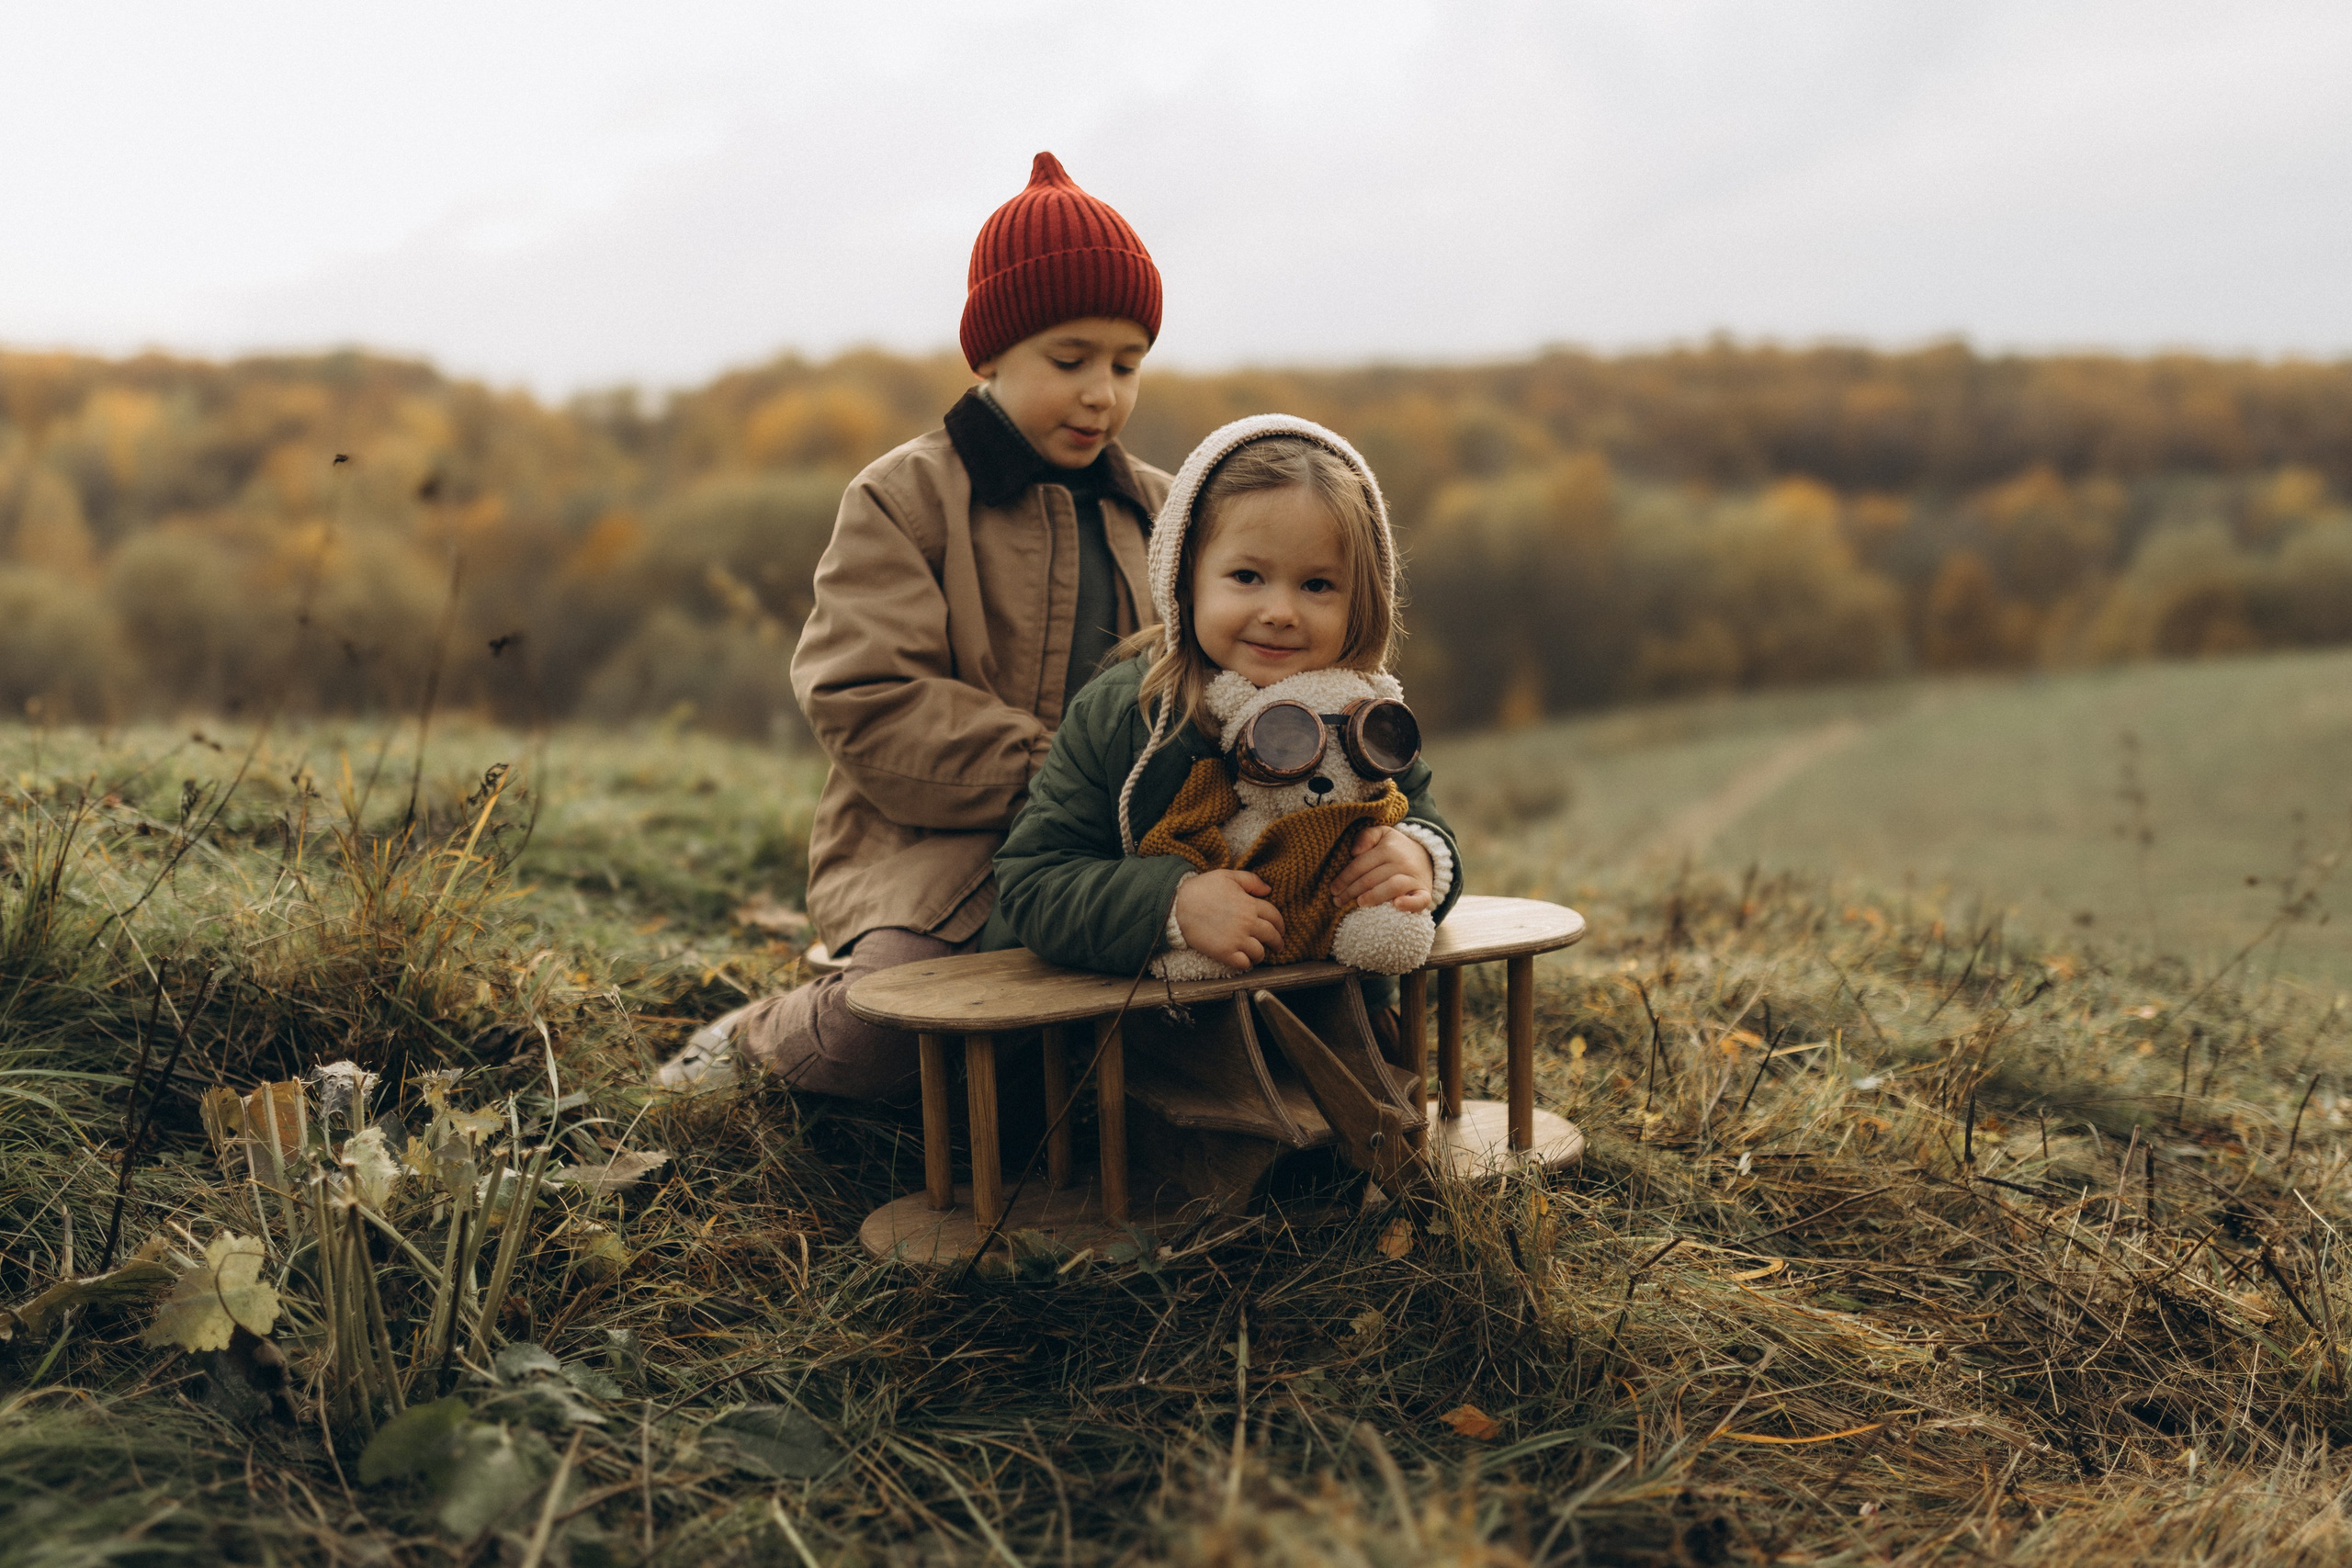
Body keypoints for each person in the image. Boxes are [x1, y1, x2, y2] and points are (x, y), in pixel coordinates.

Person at [656, 151, 1171, 1098]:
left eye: (1126, 364)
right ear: (991, 356)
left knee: (1188, 1020)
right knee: (887, 1039)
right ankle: (757, 1042)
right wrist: (1059, 782)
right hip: (940, 862)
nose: (1103, 391)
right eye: (1070, 361)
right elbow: (866, 696)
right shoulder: (905, 498)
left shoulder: (1166, 515)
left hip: (1121, 860)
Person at [987, 416, 1462, 986]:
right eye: (1246, 576)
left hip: (1325, 1017)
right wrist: (1171, 906)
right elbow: (1034, 882)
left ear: (1361, 600)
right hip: (1151, 1029)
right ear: (1185, 579)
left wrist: (1421, 862)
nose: (1281, 612)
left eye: (1317, 585)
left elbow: (1431, 831)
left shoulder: (1365, 715)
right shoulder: (1125, 713)